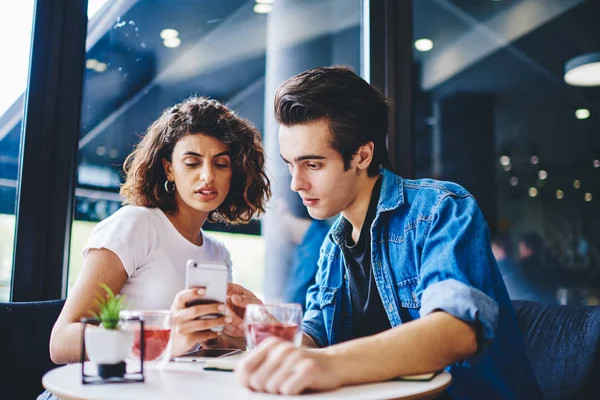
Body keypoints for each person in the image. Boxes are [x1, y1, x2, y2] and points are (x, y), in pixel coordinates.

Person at [235, 66, 543, 399]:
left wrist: (328, 365)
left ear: (361, 155)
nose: (296, 183)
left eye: (313, 164)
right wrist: (263, 333)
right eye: (290, 165)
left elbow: (457, 330)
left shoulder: (439, 209)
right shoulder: (332, 247)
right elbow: (317, 335)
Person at [49, 96, 270, 365]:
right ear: (169, 169)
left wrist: (222, 335)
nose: (207, 176)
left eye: (221, 164)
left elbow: (214, 350)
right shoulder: (136, 225)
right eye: (192, 162)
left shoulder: (218, 253)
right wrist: (168, 338)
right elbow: (61, 342)